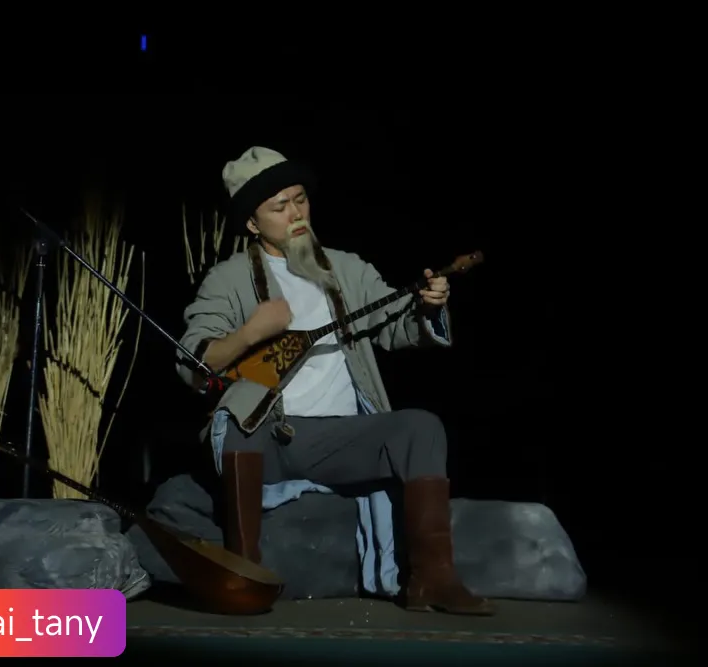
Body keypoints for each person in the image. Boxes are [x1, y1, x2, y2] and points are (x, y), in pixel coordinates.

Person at [175, 146, 492, 616]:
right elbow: (192, 361)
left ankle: (434, 578)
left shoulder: (345, 268)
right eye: (279, 207)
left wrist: (427, 306)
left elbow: (395, 325)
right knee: (239, 418)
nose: (295, 214)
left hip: (340, 439)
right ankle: (243, 572)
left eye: (300, 199)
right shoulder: (229, 279)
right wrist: (251, 333)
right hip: (272, 437)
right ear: (253, 224)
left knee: (420, 427)